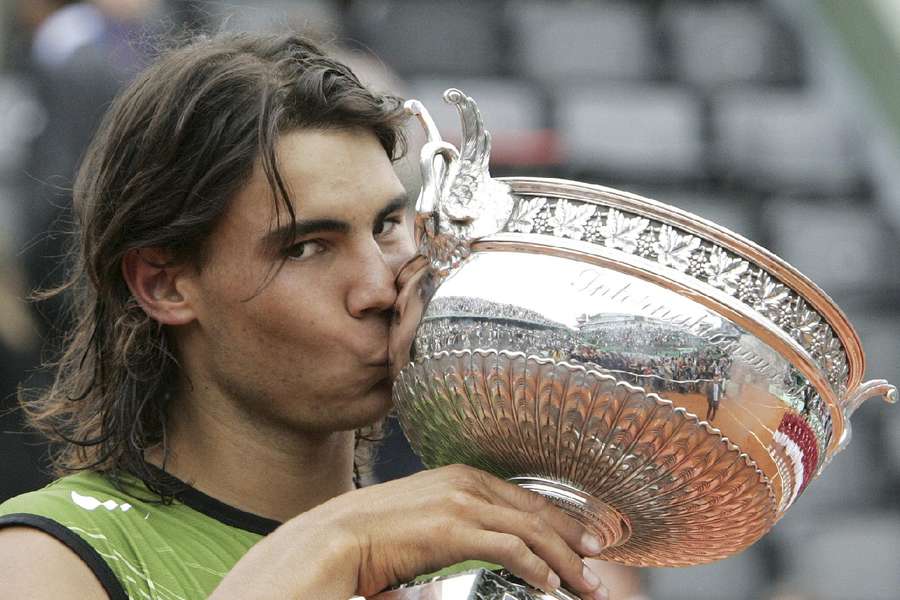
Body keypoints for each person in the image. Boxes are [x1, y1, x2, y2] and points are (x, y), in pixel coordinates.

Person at [0, 32, 611, 600]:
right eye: (306, 247)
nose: (379, 287)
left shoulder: (476, 560)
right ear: (164, 284)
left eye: (387, 225)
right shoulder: (50, 557)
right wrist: (337, 543)